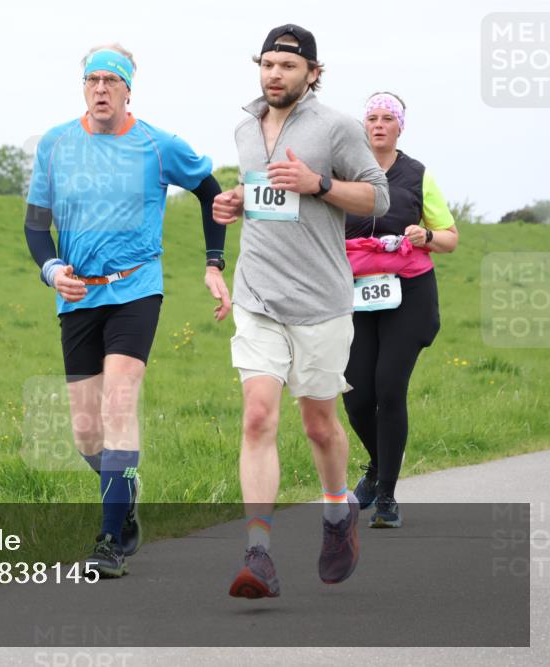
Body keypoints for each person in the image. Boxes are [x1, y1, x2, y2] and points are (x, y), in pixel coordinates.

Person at [25, 44, 231, 577]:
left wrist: (214, 262)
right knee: (87, 434)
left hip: (136, 289)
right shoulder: (55, 144)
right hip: (77, 295)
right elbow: (34, 226)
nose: (99, 89)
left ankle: (110, 541)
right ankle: (125, 487)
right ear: (83, 88)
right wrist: (52, 270)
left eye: (109, 81)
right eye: (91, 80)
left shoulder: (158, 145)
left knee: (119, 407)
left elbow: (211, 192)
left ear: (126, 90)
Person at [212, 24, 390, 598]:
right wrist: (236, 201)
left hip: (320, 301)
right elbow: (264, 193)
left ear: (312, 72)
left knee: (318, 423)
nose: (274, 75)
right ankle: (258, 552)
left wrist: (317, 183)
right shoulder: (244, 127)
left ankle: (339, 513)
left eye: (287, 66)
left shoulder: (336, 126)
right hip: (258, 293)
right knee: (258, 416)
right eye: (266, 64)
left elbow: (377, 196)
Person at [344, 92, 459, 529]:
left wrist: (425, 235)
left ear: (400, 126)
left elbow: (449, 237)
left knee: (389, 389)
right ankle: (379, 465)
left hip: (408, 293)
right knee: (355, 397)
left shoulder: (418, 175)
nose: (378, 124)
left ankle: (387, 497)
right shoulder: (346, 172)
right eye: (371, 117)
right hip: (355, 294)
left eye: (386, 118)